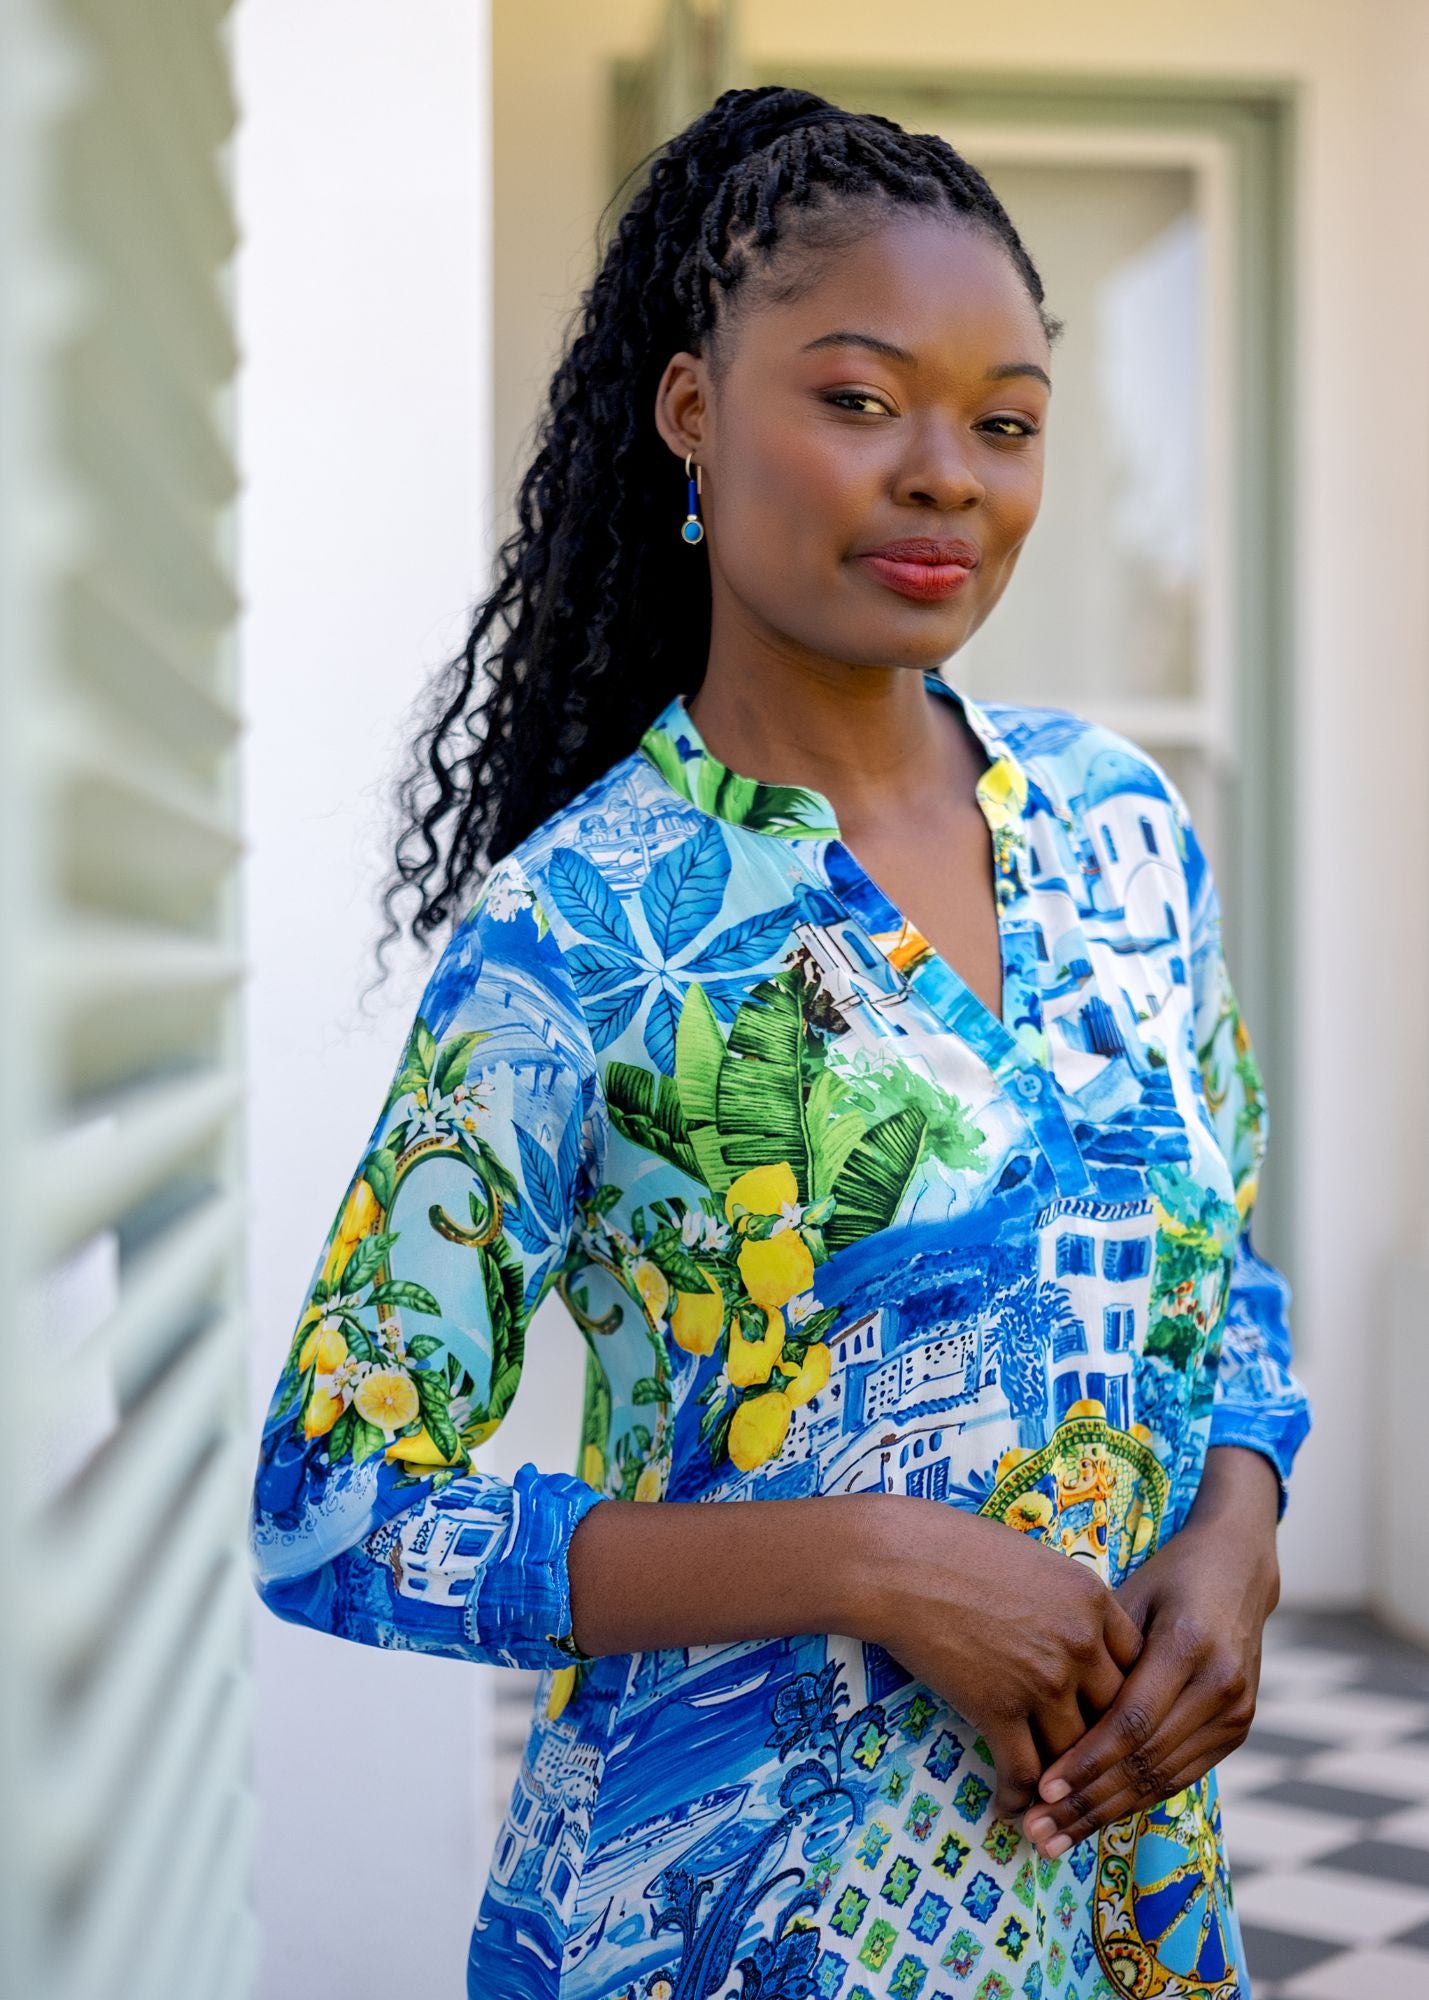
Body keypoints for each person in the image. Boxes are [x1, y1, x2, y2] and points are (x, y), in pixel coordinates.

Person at [249, 84, 1312, 2000]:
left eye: (1004, 424)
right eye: (857, 398)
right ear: (691, 414)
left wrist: (1237, 1523)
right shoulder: (581, 937)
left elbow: (1226, 1265)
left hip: (1117, 1919)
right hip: (721, 1932)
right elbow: (333, 1510)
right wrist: (865, 1559)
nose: (943, 476)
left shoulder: (1120, 828)